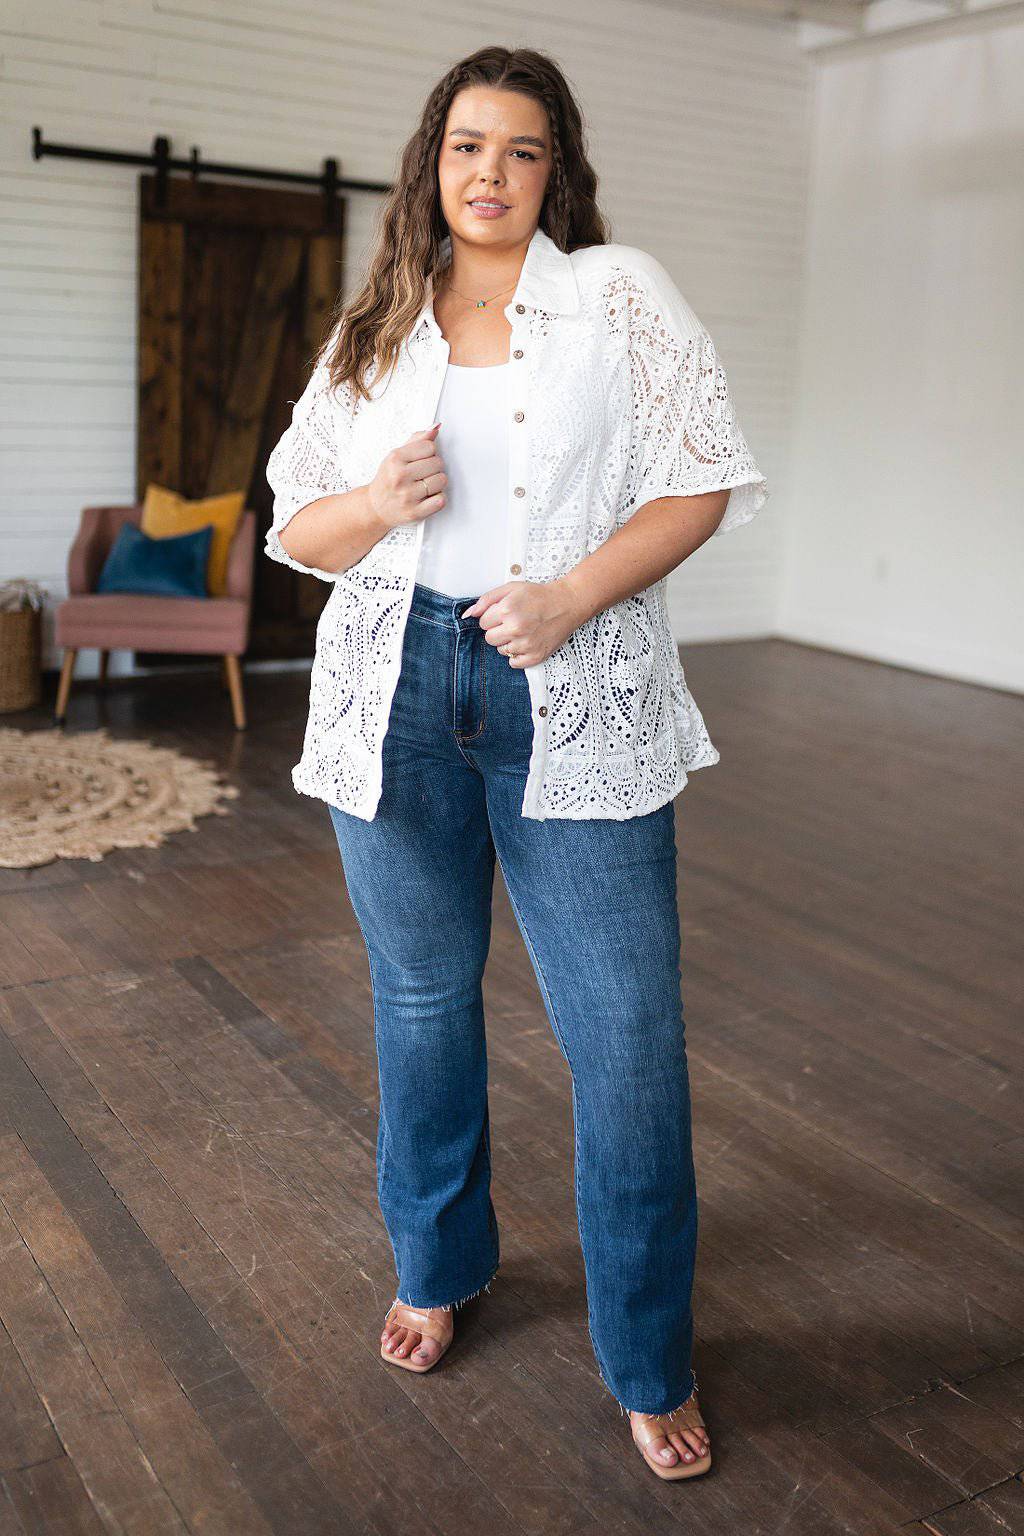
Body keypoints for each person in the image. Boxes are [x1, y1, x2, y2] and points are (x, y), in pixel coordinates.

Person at [264, 44, 769, 1482]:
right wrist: (376, 501)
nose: (490, 173)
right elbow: (295, 526)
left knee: (626, 1039)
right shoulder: (377, 325)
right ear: (434, 162)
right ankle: (437, 1266)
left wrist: (568, 598)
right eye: (468, 146)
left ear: (558, 171)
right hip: (394, 686)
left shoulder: (618, 296)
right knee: (422, 1002)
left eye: (522, 149)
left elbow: (702, 479)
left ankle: (648, 1356)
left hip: (572, 682)